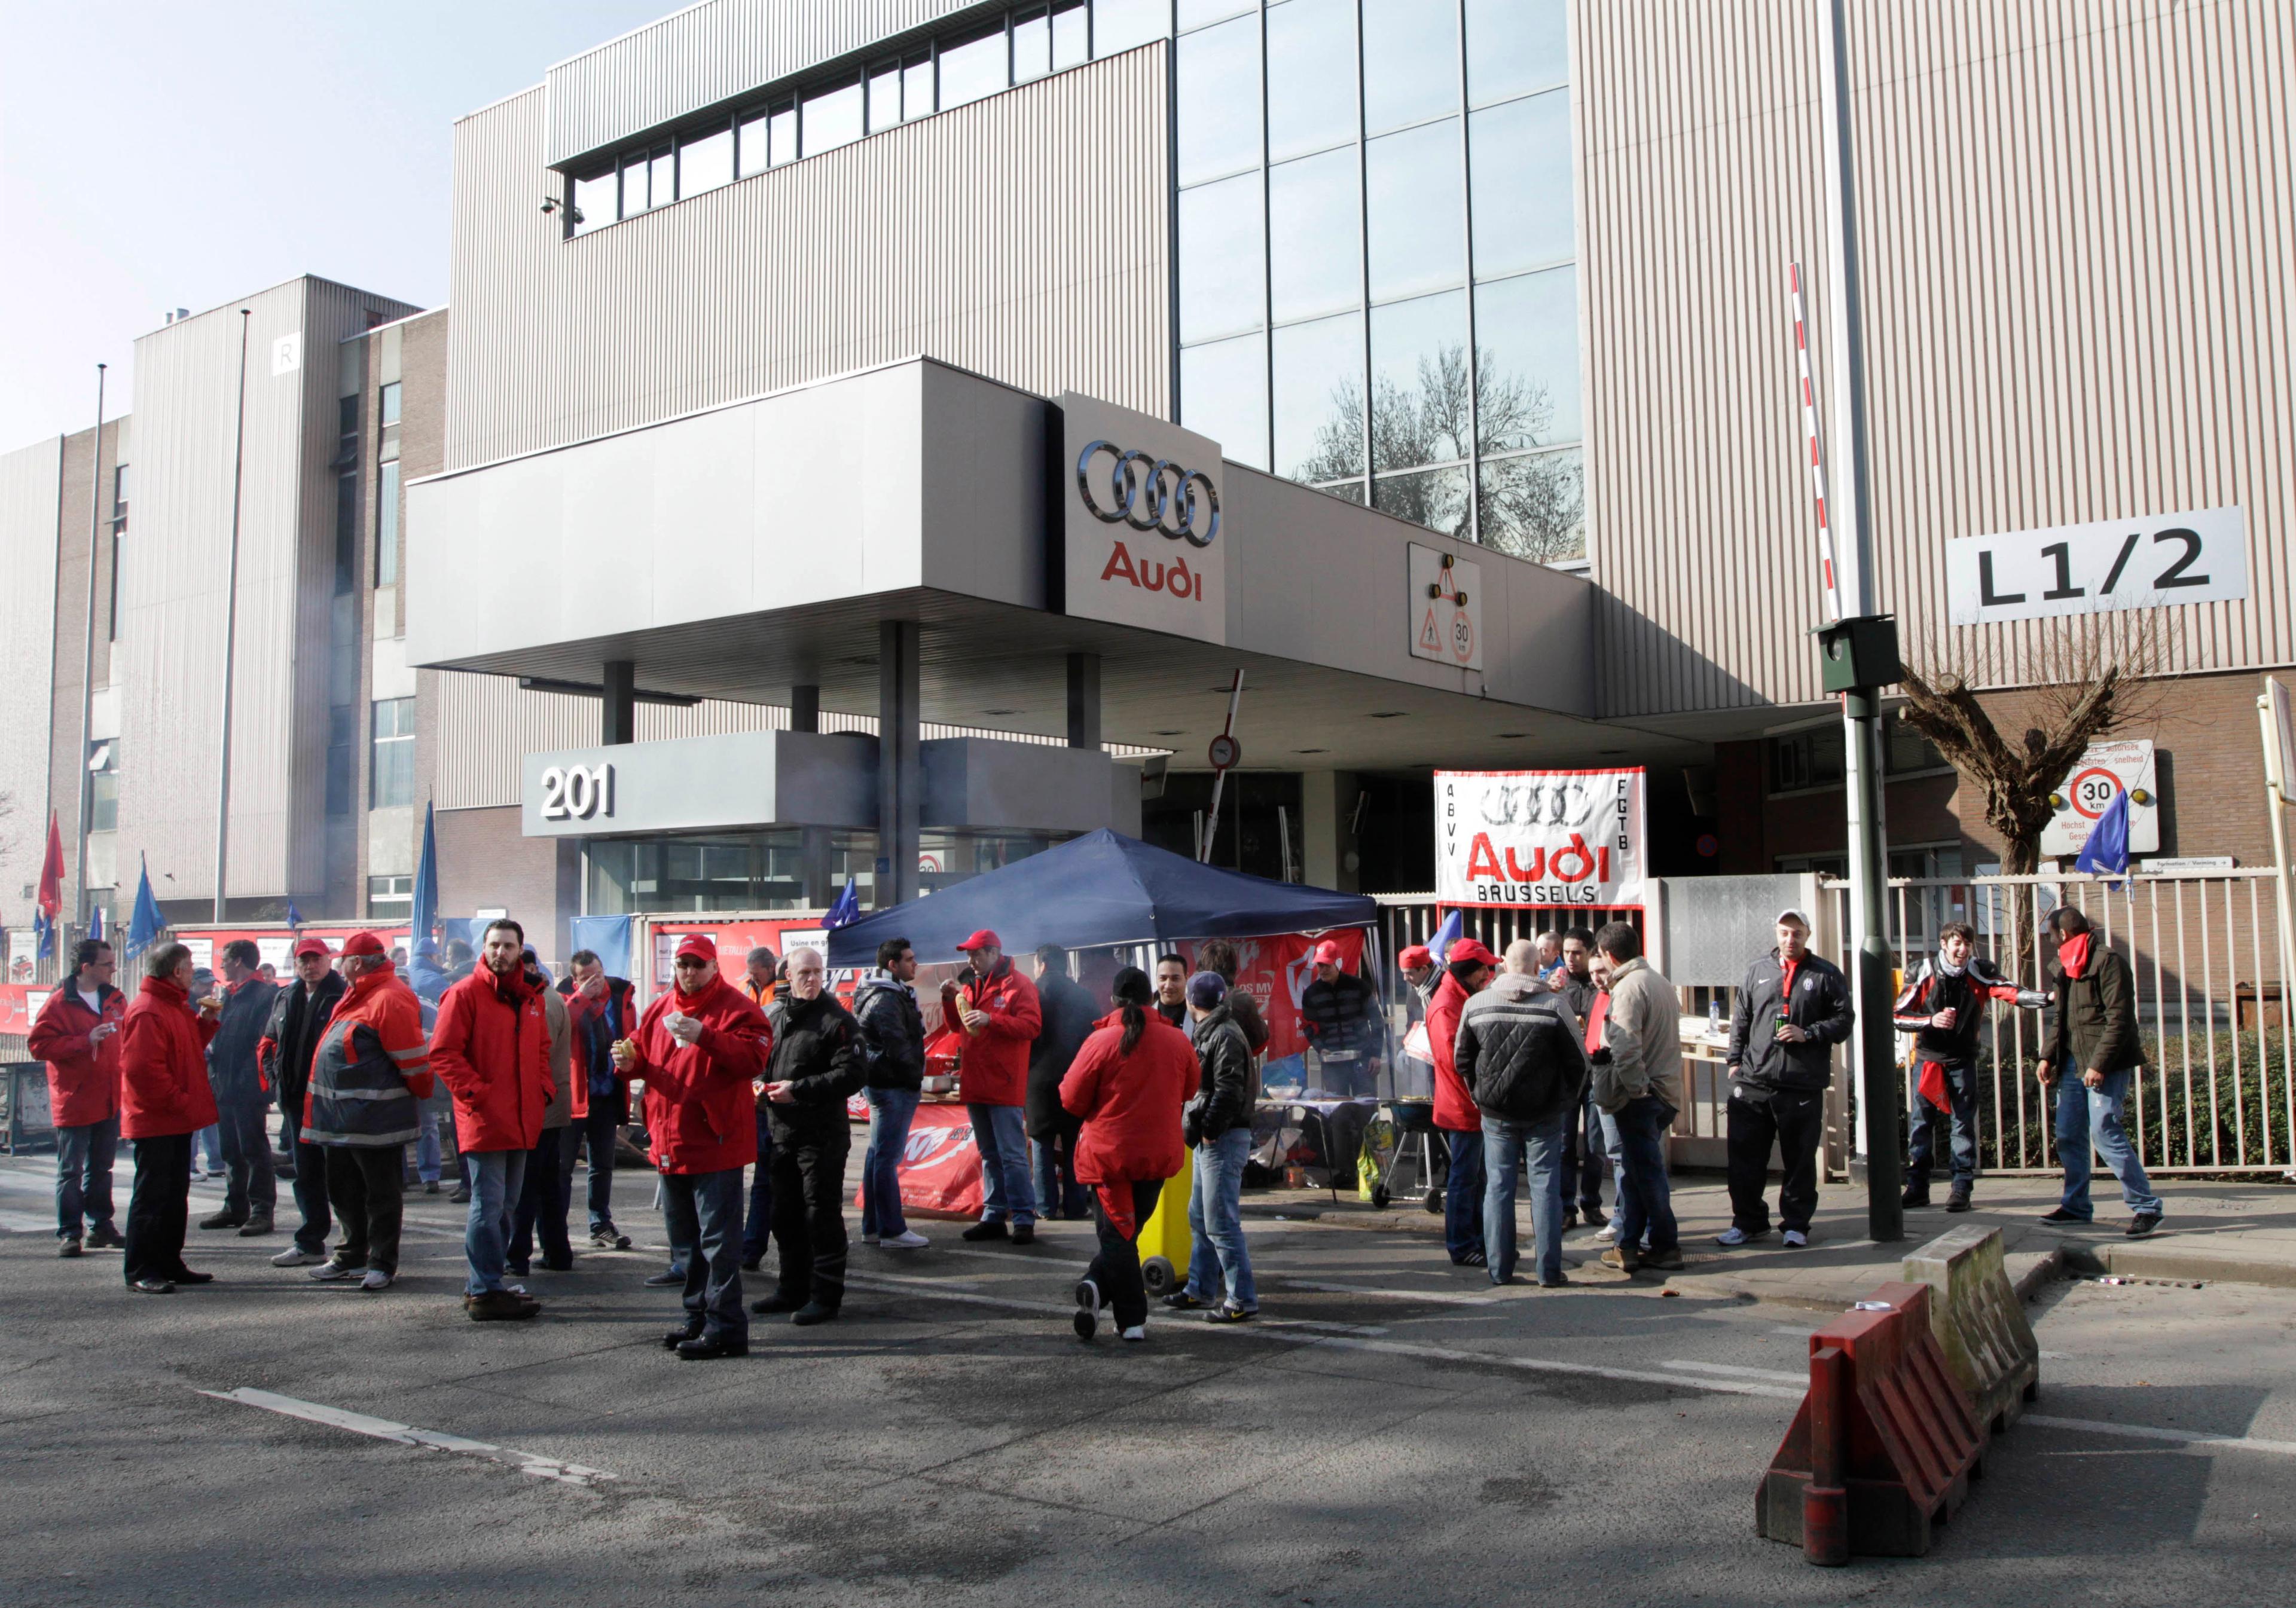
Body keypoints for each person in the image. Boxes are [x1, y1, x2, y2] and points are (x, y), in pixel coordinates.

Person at [613, 932, 773, 1358]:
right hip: (670, 1141)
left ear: (714, 967)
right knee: (684, 1242)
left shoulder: (740, 1009)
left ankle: (726, 1327)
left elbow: (753, 1060)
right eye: (682, 964)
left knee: (719, 1244)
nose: (688, 972)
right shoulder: (660, 1009)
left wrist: (704, 1034)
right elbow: (643, 1059)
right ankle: (698, 1317)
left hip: (715, 1142)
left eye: (697, 964)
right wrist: (629, 1065)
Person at [1061, 967, 1196, 1343]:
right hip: (1156, 1156)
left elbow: (1071, 1099)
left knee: (1117, 1237)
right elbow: (1191, 1087)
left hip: (1108, 1157)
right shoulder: (1176, 1041)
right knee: (1124, 1235)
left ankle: (1130, 1318)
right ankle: (1098, 1287)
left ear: (1114, 1000)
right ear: (1151, 996)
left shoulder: (1099, 1042)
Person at [430, 919, 555, 1321]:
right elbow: (444, 1053)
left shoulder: (530, 998)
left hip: (521, 1117)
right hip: (485, 1117)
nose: (500, 952)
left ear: (521, 950)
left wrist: (543, 1090)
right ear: (483, 948)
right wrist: (477, 1094)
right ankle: (485, 1290)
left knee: (506, 1207)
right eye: (494, 945)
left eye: (508, 946)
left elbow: (541, 1051)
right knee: (488, 1207)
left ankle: (486, 1283)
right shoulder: (464, 994)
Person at [1455, 940, 1588, 1288]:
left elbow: (1462, 1061)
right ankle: (1548, 1272)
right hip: (1545, 1113)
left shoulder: (1475, 1004)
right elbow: (1580, 1062)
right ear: (1534, 968)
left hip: (1495, 1113)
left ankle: (1499, 1271)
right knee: (1545, 1188)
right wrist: (1564, 1101)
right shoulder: (1555, 1007)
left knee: (1498, 1187)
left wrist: (1480, 1099)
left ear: (1502, 966)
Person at [301, 933, 430, 1291]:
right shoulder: (358, 993)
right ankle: (350, 1255)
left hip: (377, 1122)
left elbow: (413, 1060)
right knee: (343, 1190)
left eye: (342, 959)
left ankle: (381, 1263)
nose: (339, 965)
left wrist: (420, 1096)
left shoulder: (390, 996)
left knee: (381, 1194)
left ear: (356, 963)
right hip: (342, 1121)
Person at [1720, 909, 1853, 1249]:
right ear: (1776, 934)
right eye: (1784, 933)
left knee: (1800, 1160)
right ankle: (1748, 1222)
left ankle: (1795, 1224)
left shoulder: (1826, 974)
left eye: (1796, 933)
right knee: (1744, 1159)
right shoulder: (1758, 971)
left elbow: (1844, 1020)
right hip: (1753, 1081)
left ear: (1807, 934)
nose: (1789, 940)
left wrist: (1809, 1033)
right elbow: (1742, 1019)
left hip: (1801, 1084)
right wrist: (1734, 1062)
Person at [1895, 920, 2049, 1212]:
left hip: (1963, 1060)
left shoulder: (1980, 970)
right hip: (1928, 1060)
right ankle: (1917, 1188)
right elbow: (1898, 1014)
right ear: (1944, 944)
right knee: (1920, 1125)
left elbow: (2011, 992)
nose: (1963, 949)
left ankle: (1961, 1189)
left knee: (1963, 1126)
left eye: (1967, 944)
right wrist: (1930, 1020)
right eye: (1957, 943)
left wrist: (2048, 998)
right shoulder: (1922, 970)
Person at [752, 946, 863, 1326]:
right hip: (781, 1132)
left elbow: (852, 1075)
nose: (812, 979)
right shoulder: (778, 1015)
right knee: (784, 1214)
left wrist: (798, 1089)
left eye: (818, 972)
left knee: (821, 1214)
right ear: (789, 975)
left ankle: (826, 1297)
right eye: (805, 973)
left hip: (822, 1136)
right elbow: (764, 1064)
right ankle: (791, 1288)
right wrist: (759, 1085)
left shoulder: (838, 1020)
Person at [2037, 907, 2164, 1236]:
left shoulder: (2108, 962)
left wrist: (2098, 1064)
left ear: (2063, 934)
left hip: (2105, 1065)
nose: (2051, 942)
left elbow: (2120, 1020)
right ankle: (2076, 1207)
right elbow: (2061, 1019)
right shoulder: (2066, 964)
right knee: (2068, 1134)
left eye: (2051, 935)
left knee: (2105, 1131)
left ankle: (2146, 1207)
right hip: (2071, 1063)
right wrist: (2047, 1056)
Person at [117, 943, 223, 1294]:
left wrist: (205, 1025)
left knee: (175, 1195)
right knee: (152, 1196)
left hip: (175, 1117)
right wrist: (179, 1102)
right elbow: (142, 1071)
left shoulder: (172, 1006)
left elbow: (186, 1049)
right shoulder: (149, 1010)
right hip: (158, 1119)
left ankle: (168, 1261)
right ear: (177, 971)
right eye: (191, 966)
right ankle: (141, 1268)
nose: (194, 972)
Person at [1589, 921, 1684, 1274]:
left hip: (1645, 1096)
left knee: (1644, 1173)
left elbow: (1626, 1049)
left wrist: (1636, 1091)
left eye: (1600, 956)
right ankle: (1630, 1244)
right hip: (1661, 1091)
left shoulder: (1628, 988)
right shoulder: (1657, 981)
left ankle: (1663, 1244)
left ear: (1610, 955)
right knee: (1635, 1171)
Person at [29, 939, 127, 1257]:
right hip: (75, 1099)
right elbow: (39, 1046)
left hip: (110, 1097)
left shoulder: (116, 999)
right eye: (107, 964)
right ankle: (70, 1232)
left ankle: (101, 1227)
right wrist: (84, 1041)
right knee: (70, 1170)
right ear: (86, 968)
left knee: (102, 1168)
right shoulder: (60, 1003)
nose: (114, 968)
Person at [1171, 970, 1257, 1320]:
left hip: (1221, 1137)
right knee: (1201, 1217)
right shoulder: (1219, 1030)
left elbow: (1227, 1089)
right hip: (1215, 1137)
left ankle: (1241, 1299)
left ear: (1192, 1001)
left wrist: (1208, 1129)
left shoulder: (1222, 1034)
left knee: (1220, 1222)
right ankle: (1200, 1288)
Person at [258, 936, 347, 1267]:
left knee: (340, 1174)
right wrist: (275, 1080)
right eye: (303, 961)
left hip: (332, 1101)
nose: (310, 966)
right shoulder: (285, 996)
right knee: (306, 1172)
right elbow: (269, 1041)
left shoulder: (343, 995)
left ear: (329, 960)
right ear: (296, 965)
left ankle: (353, 1244)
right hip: (295, 1100)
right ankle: (310, 1241)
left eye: (316, 959)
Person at [952, 930, 1042, 1245]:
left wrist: (993, 1020)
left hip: (1004, 1083)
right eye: (969, 954)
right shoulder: (970, 984)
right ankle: (994, 1214)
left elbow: (1032, 1027)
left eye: (976, 954)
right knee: (989, 1154)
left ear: (994, 953)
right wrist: (951, 1000)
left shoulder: (1020, 985)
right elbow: (957, 1026)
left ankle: (1022, 1216)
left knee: (1012, 1155)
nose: (971, 960)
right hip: (977, 1082)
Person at [200, 940, 280, 1236]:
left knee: (253, 1148)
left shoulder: (264, 995)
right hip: (224, 1083)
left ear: (238, 961)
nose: (221, 965)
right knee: (231, 1150)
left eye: (225, 960)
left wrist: (253, 1081)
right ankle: (235, 1206)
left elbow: (263, 1043)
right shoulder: (229, 994)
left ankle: (261, 1210)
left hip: (246, 1086)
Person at [1427, 938, 1499, 1267]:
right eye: (1483, 967)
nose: (1489, 972)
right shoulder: (1446, 1005)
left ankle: (1480, 1242)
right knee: (1464, 1180)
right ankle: (1462, 1245)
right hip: (1463, 1106)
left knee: (1476, 1180)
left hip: (1473, 1104)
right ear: (1467, 971)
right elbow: (1457, 1061)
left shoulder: (1464, 997)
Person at [854, 936, 929, 1251]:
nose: (915, 964)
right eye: (910, 959)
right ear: (893, 965)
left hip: (886, 1083)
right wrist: (915, 1081)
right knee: (886, 1158)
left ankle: (874, 1227)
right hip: (892, 1085)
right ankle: (891, 1229)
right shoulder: (886, 999)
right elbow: (899, 1048)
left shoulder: (890, 993)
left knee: (878, 1155)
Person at [560, 949, 636, 1250]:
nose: (594, 982)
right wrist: (580, 997)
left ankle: (601, 1224)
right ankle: (557, 1230)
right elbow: (558, 1030)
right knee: (562, 1167)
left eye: (598, 975)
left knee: (602, 1165)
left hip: (607, 1094)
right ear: (574, 979)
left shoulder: (620, 995)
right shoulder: (564, 998)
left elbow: (633, 1034)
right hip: (574, 1096)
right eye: (585, 978)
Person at [509, 947, 579, 1276]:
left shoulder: (542, 1003)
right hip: (552, 1105)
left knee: (528, 1187)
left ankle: (518, 1256)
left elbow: (538, 1057)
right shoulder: (551, 998)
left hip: (542, 1106)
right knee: (548, 1186)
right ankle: (556, 1252)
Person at [1026, 944, 1098, 1222]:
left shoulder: (1030, 992)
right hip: (1075, 1076)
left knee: (1042, 1143)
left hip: (1037, 1079)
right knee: (1073, 1143)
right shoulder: (1083, 995)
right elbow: (1093, 1038)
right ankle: (1076, 1206)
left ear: (1042, 964)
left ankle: (1045, 1207)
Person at [1552, 927, 1616, 1232]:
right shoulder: (1557, 984)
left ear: (1591, 952)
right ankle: (1566, 1206)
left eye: (1577, 952)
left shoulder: (1601, 984)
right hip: (1565, 1075)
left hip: (1595, 1073)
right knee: (1564, 1144)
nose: (1571, 959)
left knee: (1595, 1144)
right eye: (1567, 952)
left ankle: (1591, 1202)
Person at [737, 944, 779, 1268]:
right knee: (759, 1180)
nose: (752, 976)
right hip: (755, 1095)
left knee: (766, 1181)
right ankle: (749, 1247)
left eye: (756, 972)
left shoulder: (777, 996)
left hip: (772, 1096)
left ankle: (753, 1247)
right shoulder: (746, 990)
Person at [1299, 940, 1379, 1097]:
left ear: (1338, 963)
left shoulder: (1359, 986)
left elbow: (1377, 1020)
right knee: (1336, 1108)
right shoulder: (1311, 994)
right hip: (1332, 1062)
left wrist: (1376, 1054)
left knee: (1366, 1105)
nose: (1322, 970)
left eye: (1327, 965)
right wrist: (1320, 1048)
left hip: (1362, 1059)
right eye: (1319, 965)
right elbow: (1307, 1026)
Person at [1193, 938, 1271, 1056]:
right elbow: (1259, 1044)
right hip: (1235, 1066)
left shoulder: (1193, 997)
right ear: (1233, 968)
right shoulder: (1242, 1000)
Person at [1397, 944, 1437, 1028]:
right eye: (1404, 973)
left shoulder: (1445, 988)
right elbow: (1411, 1029)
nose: (1405, 978)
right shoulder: (1414, 996)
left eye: (1410, 973)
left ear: (1424, 969)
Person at [1153, 955, 1190, 1028]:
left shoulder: (1197, 1017)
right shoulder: (1146, 1017)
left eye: (1175, 979)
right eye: (1163, 978)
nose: (1168, 986)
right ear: (1156, 979)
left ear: (1186, 978)